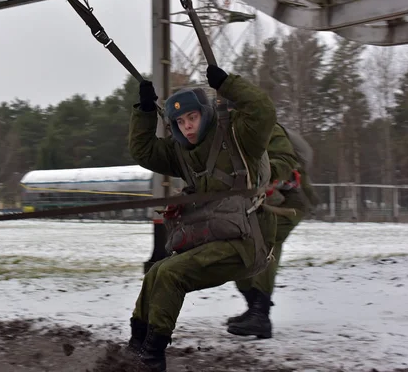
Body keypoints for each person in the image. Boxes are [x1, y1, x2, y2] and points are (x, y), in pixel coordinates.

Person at [125, 65, 278, 371]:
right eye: (179, 122)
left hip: (246, 241)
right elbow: (143, 151)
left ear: (205, 113)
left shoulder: (239, 136)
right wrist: (144, 111)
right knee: (156, 273)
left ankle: (152, 358)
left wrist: (230, 85)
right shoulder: (183, 152)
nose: (187, 127)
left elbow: (263, 112)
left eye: (192, 118)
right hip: (214, 239)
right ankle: (136, 345)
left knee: (171, 275)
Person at [226, 122, 318, 339]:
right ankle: (254, 309)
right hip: (265, 198)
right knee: (238, 248)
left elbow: (286, 168)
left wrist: (275, 180)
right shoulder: (234, 136)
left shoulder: (267, 132)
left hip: (291, 199)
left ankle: (260, 314)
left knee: (267, 240)